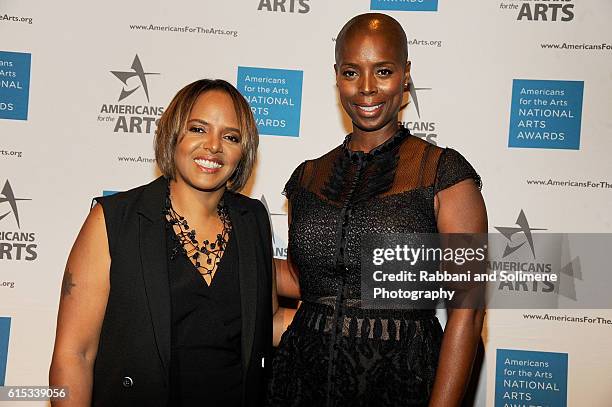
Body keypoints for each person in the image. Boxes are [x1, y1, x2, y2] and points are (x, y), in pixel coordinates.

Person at [268, 13, 487, 407]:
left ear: (405, 75)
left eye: (382, 71)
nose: (366, 88)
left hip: (400, 383)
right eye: (352, 72)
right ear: (336, 76)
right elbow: (305, 279)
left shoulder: (443, 173)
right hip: (300, 380)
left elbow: (466, 315)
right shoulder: (307, 177)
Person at [49, 79, 284, 407]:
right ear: (173, 133)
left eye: (230, 136)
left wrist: (353, 321)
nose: (213, 146)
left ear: (243, 151)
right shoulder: (115, 220)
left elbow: (266, 322)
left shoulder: (253, 219)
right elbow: (74, 354)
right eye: (198, 129)